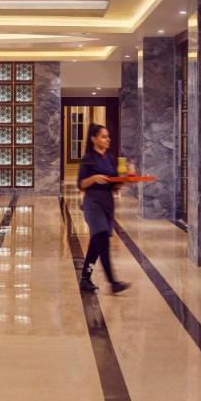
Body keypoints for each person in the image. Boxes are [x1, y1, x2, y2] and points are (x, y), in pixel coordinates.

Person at [76, 123, 129, 294]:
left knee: (96, 243)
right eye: (104, 136)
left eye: (108, 136)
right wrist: (94, 178)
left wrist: (124, 180)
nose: (108, 139)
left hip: (107, 204)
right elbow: (81, 184)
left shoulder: (110, 158)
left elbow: (114, 185)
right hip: (93, 204)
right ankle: (113, 282)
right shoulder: (88, 159)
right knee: (102, 241)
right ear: (94, 139)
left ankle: (85, 277)